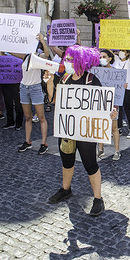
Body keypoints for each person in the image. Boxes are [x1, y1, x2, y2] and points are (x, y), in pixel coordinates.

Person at [48, 45, 110, 217]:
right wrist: (48, 83)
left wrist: (110, 113)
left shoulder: (92, 80)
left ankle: (98, 199)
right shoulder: (65, 78)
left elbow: (103, 105)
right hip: (67, 129)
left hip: (86, 130)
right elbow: (54, 100)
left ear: (79, 61)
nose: (65, 62)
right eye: (66, 59)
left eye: (69, 59)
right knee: (67, 160)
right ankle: (65, 189)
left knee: (90, 163)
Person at [12, 33, 50, 154]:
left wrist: (43, 41)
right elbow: (8, 50)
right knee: (27, 117)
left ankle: (44, 143)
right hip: (24, 87)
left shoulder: (40, 56)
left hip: (35, 88)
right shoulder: (25, 56)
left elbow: (47, 54)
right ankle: (27, 142)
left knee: (41, 117)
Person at [97, 49, 121, 161]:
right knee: (100, 126)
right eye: (100, 57)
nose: (102, 59)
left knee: (114, 127)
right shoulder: (96, 72)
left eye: (104, 56)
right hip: (100, 103)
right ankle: (100, 149)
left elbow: (119, 90)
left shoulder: (116, 72)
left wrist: (123, 87)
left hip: (112, 104)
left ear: (110, 58)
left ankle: (117, 151)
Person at [113, 33, 130, 138]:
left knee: (128, 109)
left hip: (127, 89)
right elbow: (108, 50)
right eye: (120, 50)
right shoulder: (117, 60)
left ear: (126, 53)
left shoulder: (128, 62)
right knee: (118, 110)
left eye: (123, 51)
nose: (121, 52)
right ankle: (119, 128)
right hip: (118, 89)